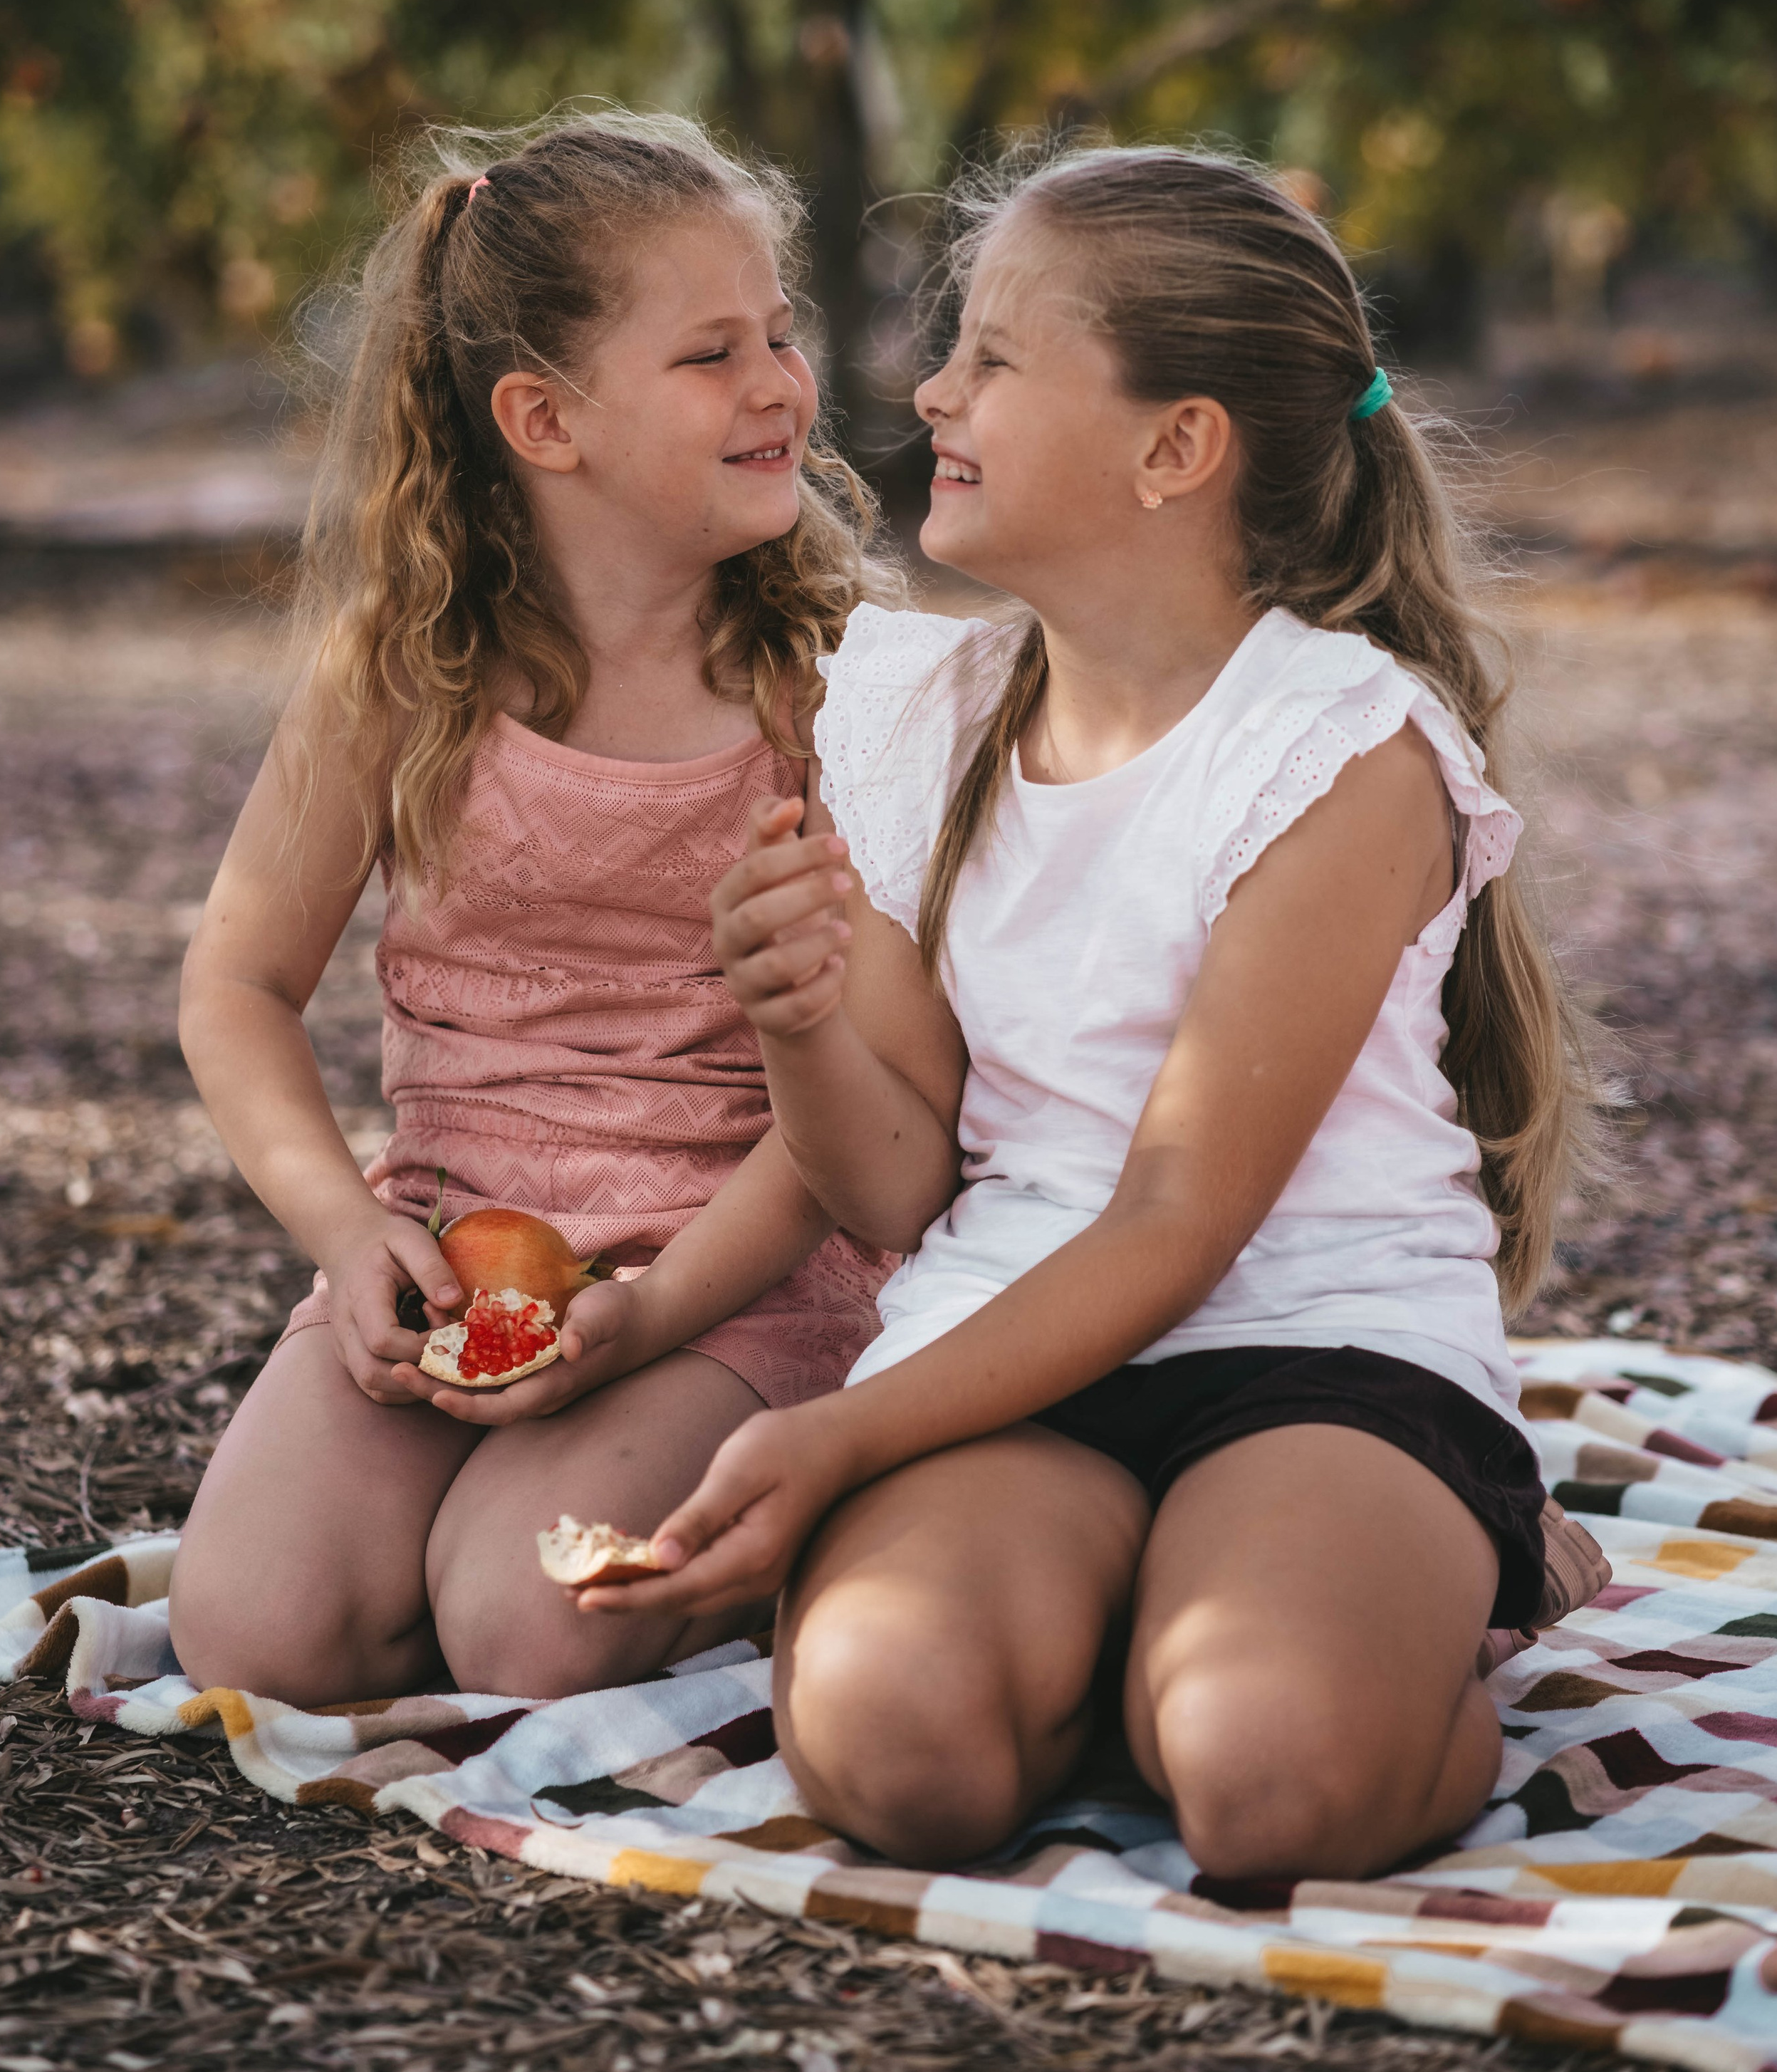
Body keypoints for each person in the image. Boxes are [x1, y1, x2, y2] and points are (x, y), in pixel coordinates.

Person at [578, 142, 1595, 1884]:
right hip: (1007, 1341)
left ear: (1173, 447)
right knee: (896, 1763)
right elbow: (899, 1192)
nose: (929, 388)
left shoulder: (1331, 747)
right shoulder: (920, 711)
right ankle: (1143, 1607)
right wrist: (794, 1012)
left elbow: (1178, 1216)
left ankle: (1448, 1598)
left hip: (1314, 1351)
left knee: (1270, 1792)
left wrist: (834, 1439)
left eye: (991, 355)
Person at [167, 110, 896, 1707]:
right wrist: (347, 1236)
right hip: (452, 1253)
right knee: (257, 1641)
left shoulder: (831, 684)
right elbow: (234, 987)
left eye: (780, 333)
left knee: (526, 1628)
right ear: (542, 421)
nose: (780, 383)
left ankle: (827, 1501)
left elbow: (868, 1097)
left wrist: (654, 1316)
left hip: (735, 1276)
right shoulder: (397, 674)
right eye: (712, 353)